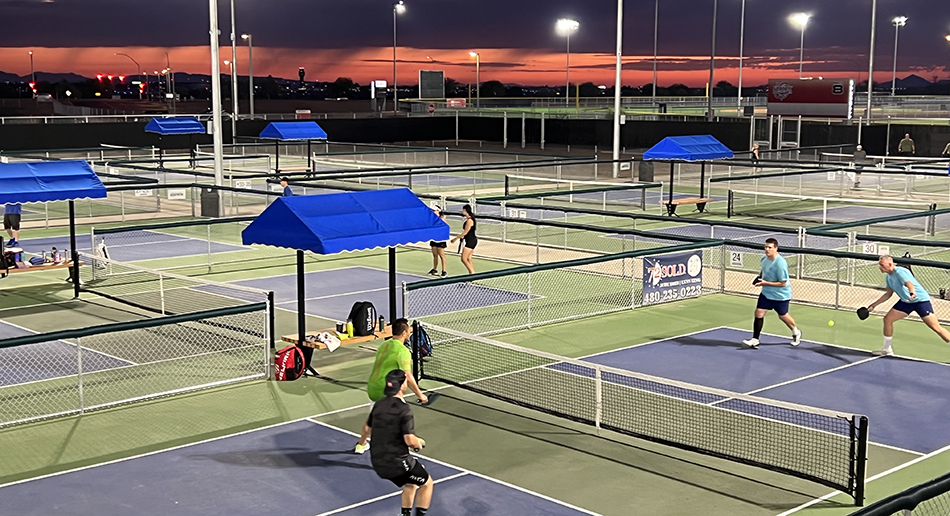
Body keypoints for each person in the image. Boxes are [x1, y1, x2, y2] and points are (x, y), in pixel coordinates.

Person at [363, 369, 434, 516]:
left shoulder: (380, 404)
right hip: (397, 463)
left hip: (377, 460)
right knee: (427, 484)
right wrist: (419, 442)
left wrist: (364, 443)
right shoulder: (404, 409)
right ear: (402, 385)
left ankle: (405, 514)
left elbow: (366, 428)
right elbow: (410, 440)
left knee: (411, 483)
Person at [356, 318, 428, 453]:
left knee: (372, 418)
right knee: (402, 422)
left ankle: (361, 444)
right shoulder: (402, 351)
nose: (410, 333)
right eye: (408, 331)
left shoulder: (385, 345)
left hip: (373, 387)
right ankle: (407, 453)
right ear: (404, 333)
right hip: (387, 391)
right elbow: (407, 375)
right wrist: (420, 394)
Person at [864, 255, 950, 356]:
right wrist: (874, 305)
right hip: (906, 302)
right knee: (887, 319)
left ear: (890, 264)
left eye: (882, 265)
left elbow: (909, 283)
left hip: (920, 301)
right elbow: (888, 293)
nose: (880, 267)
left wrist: (912, 292)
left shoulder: (900, 271)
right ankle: (887, 349)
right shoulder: (888, 277)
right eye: (879, 265)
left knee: (936, 327)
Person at [743, 238, 802, 348]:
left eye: (770, 247)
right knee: (759, 313)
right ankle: (755, 339)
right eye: (765, 247)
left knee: (783, 316)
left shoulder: (781, 263)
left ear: (776, 248)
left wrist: (765, 283)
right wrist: (760, 278)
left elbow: (783, 283)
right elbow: (764, 270)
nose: (767, 249)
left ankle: (796, 331)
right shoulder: (764, 259)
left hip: (780, 295)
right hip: (766, 293)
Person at [450, 204, 477, 274]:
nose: (462, 211)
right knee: (468, 259)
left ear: (465, 210)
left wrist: (455, 238)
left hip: (471, 241)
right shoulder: (468, 219)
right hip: (470, 240)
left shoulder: (470, 221)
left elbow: (465, 232)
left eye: (463, 210)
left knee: (464, 259)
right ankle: (471, 273)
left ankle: (472, 273)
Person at [428, 205, 448, 277]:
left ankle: (444, 271)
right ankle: (435, 269)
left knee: (442, 255)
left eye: (434, 210)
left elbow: (445, 229)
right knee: (435, 255)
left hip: (440, 240)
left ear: (438, 211)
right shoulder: (432, 219)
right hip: (434, 239)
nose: (433, 212)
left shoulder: (442, 219)